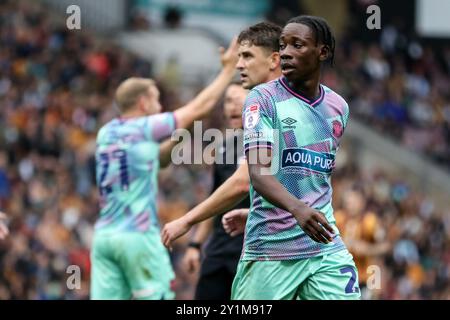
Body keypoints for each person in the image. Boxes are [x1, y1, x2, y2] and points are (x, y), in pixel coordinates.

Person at [90, 38, 239, 300]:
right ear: (143, 102)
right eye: (157, 100)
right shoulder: (143, 127)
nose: (160, 107)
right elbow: (199, 107)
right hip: (136, 236)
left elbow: (159, 159)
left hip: (104, 237)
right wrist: (228, 69)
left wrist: (185, 132)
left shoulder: (107, 133)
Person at [231, 15, 360, 299]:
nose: (286, 52)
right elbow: (259, 173)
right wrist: (296, 209)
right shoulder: (262, 99)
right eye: (283, 45)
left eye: (297, 45)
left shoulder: (338, 107)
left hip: (324, 245)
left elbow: (315, 179)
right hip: (272, 249)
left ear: (322, 52)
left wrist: (304, 211)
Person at [162, 22, 282, 299]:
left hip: (267, 247)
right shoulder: (227, 144)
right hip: (228, 243)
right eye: (226, 100)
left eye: (247, 56)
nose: (229, 106)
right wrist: (196, 244)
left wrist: (186, 221)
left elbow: (242, 183)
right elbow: (220, 191)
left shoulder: (275, 111)